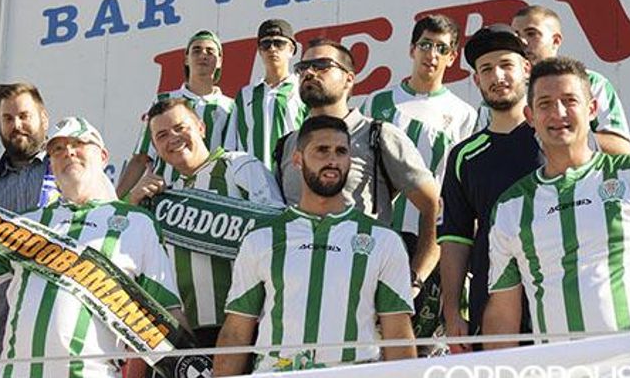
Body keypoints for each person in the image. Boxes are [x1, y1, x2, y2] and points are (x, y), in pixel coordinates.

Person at [0, 116, 183, 378]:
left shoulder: (137, 223)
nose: (69, 152)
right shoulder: (24, 224)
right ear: (51, 164)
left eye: (79, 143)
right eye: (57, 149)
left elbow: (167, 313)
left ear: (102, 156)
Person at [483, 57, 630, 347]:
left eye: (569, 101)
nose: (558, 112)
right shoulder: (511, 206)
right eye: (545, 104)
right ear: (530, 116)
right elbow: (502, 314)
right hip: (559, 366)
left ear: (592, 109)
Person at [215, 116, 416, 375]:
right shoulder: (262, 238)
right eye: (322, 150)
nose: (333, 160)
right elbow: (236, 331)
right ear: (297, 159)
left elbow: (398, 334)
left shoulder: (383, 240)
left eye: (341, 151)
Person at [276, 38, 440, 290]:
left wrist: (415, 280)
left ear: (349, 79)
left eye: (321, 65)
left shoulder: (378, 135)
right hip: (295, 288)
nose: (309, 73)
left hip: (364, 286)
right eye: (303, 67)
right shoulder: (287, 144)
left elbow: (434, 205)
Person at [127, 98, 284, 348]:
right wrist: (133, 204)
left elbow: (279, 233)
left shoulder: (239, 165)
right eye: (162, 135)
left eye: (180, 128)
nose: (173, 138)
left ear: (201, 128)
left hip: (245, 327)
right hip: (185, 332)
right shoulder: (163, 196)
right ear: (155, 147)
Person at [361, 14, 476, 352]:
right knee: (371, 339)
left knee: (421, 345)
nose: (432, 54)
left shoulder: (464, 114)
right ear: (412, 49)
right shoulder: (377, 102)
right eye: (426, 45)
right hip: (381, 234)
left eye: (442, 48)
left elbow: (459, 185)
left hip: (430, 244)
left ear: (452, 57)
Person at [437, 24, 543, 352]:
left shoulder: (554, 137)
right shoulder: (463, 156)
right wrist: (452, 312)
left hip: (557, 295)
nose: (497, 76)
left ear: (526, 68)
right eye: (486, 69)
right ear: (476, 80)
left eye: (506, 65)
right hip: (493, 304)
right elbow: (455, 239)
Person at [0, 82, 59, 377]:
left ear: (43, 118)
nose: (16, 125)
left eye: (24, 116)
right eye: (7, 118)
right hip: (0, 339)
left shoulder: (68, 172)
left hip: (57, 333)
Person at [476, 5, 630, 154]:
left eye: (531, 34)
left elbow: (621, 147)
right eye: (517, 35)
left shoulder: (591, 82)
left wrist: (559, 135)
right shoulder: (499, 97)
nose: (522, 42)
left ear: (556, 41)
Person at [117, 29, 235, 195]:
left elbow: (230, 156)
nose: (203, 55)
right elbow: (141, 157)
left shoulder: (230, 107)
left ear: (219, 61)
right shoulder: (163, 101)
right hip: (165, 195)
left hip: (209, 196)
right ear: (186, 59)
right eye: (196, 50)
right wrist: (115, 201)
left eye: (210, 51)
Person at [227, 19, 308, 169]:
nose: (272, 49)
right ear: (259, 51)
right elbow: (231, 145)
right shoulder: (245, 94)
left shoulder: (302, 89)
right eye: (266, 44)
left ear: (291, 50)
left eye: (279, 43)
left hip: (291, 176)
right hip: (253, 179)